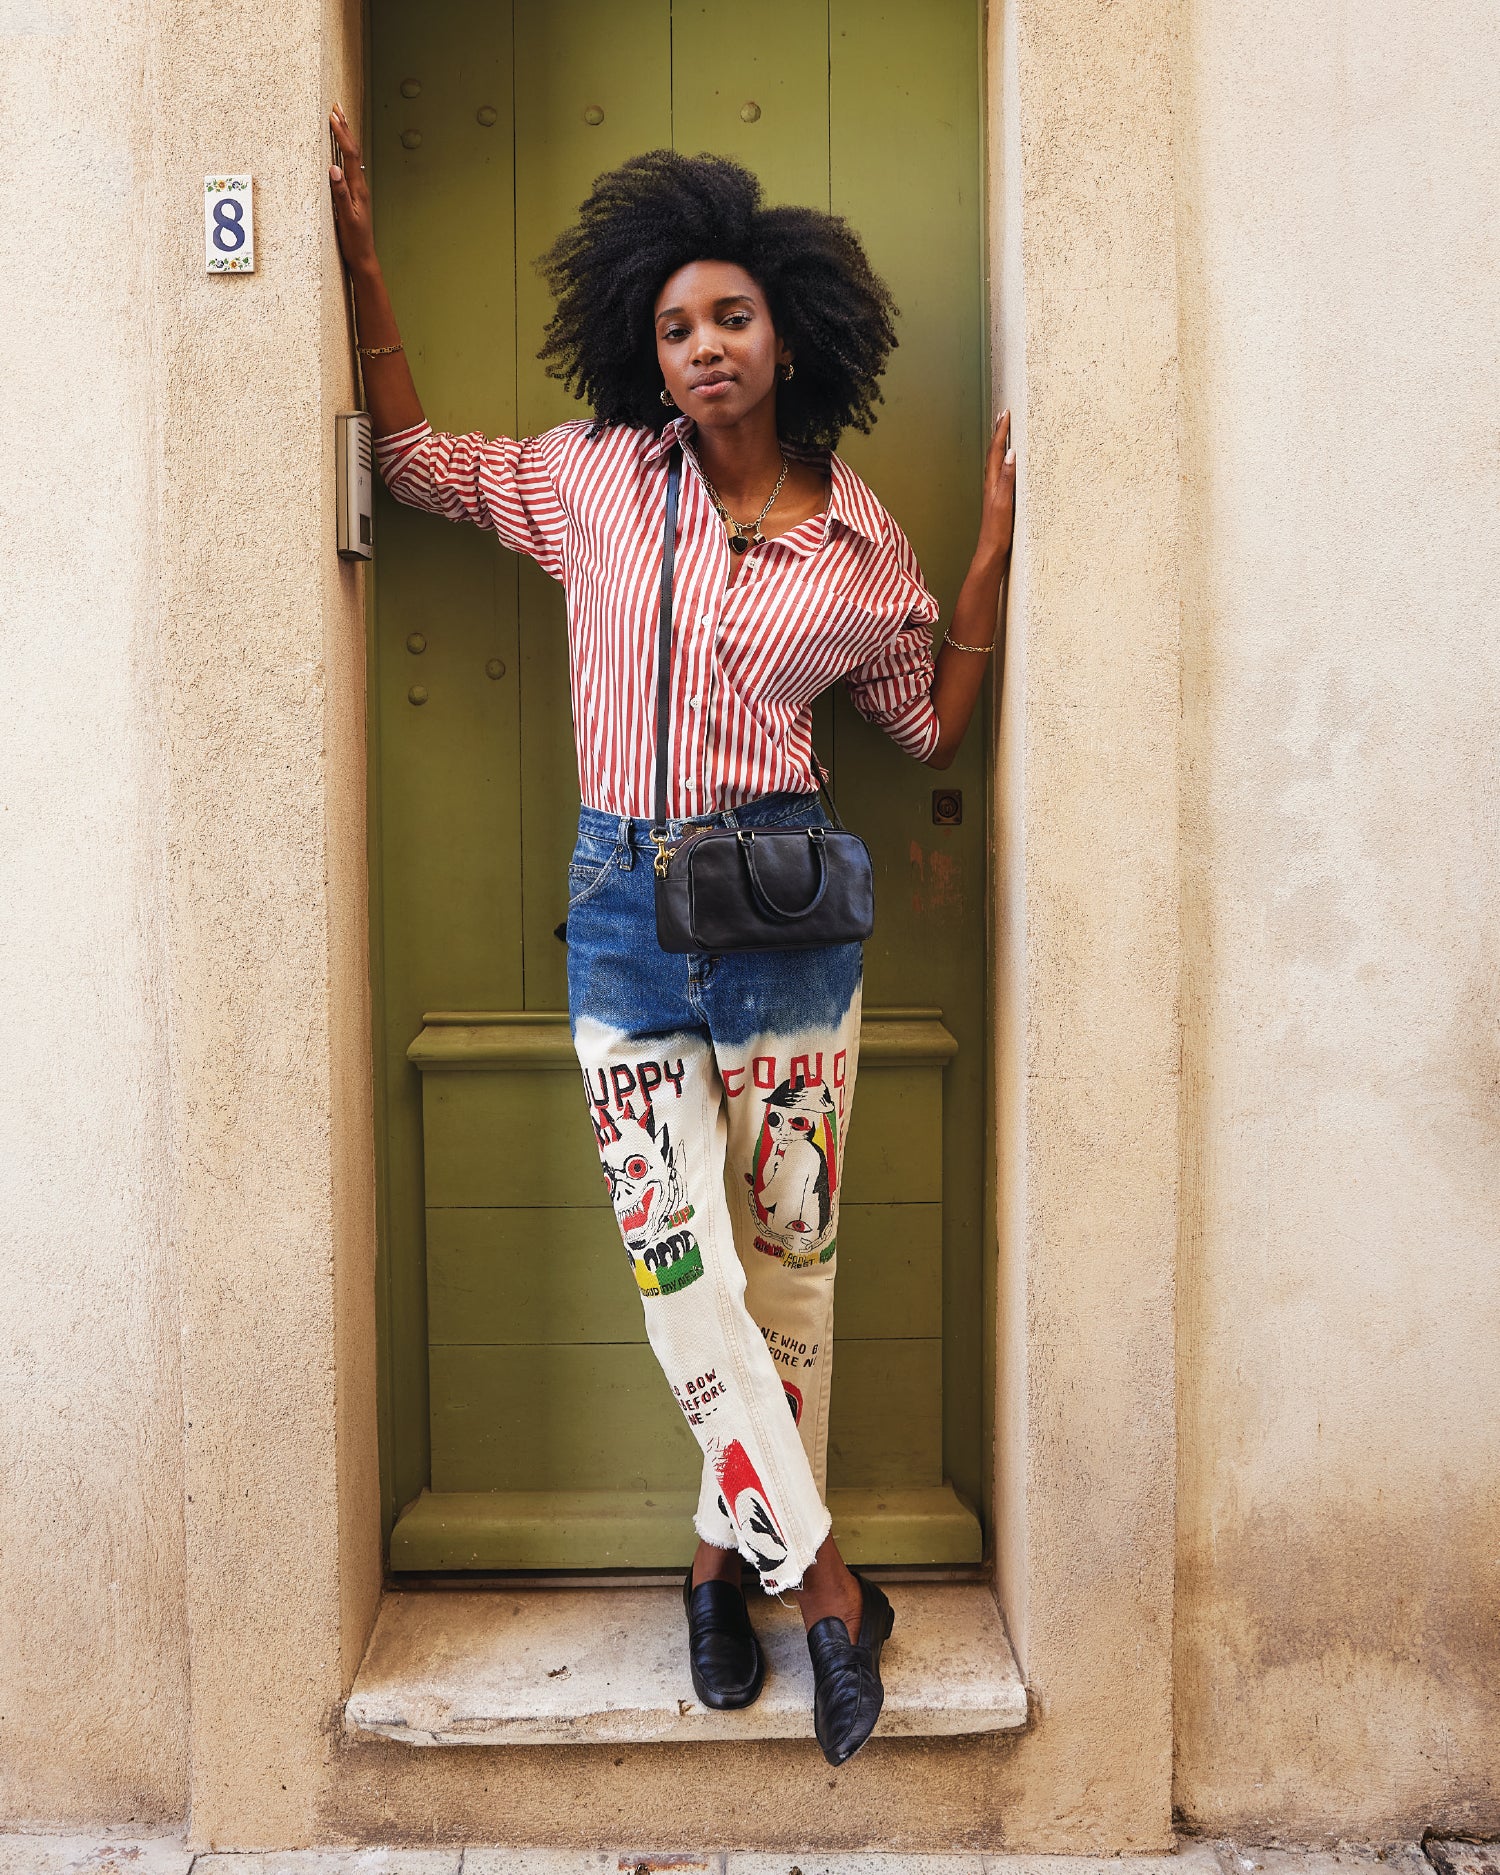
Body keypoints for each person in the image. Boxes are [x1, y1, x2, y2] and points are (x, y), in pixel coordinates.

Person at [328, 105, 1015, 1766]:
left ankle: (720, 1567)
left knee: (790, 1285)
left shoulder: (859, 551)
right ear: (644, 345)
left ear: (789, 334)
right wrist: (355, 264)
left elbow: (927, 728)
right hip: (625, 925)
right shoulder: (589, 486)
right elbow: (415, 463)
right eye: (674, 326)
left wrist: (989, 556)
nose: (703, 348)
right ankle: (830, 1583)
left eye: (731, 319)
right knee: (676, 1261)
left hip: (789, 931)